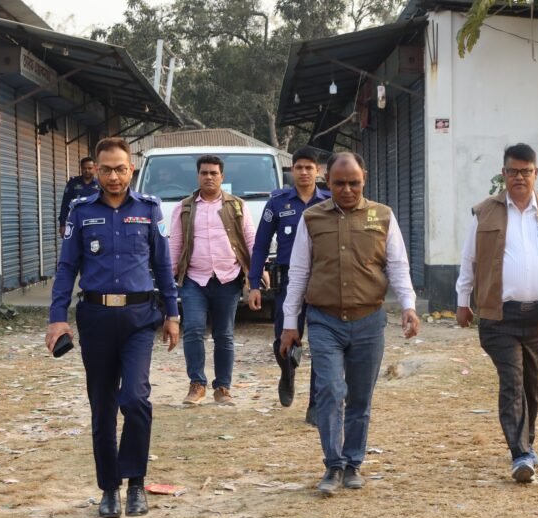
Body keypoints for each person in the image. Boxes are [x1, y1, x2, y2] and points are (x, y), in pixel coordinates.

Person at [45, 137, 180, 518]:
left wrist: (172, 314)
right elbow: (67, 267)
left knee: (135, 399)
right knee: (102, 406)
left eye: (120, 168)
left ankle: (136, 481)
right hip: (96, 318)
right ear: (96, 171)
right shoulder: (81, 211)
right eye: (106, 169)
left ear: (131, 169)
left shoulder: (150, 210)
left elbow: (163, 266)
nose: (114, 176)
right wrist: (57, 318)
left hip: (139, 319)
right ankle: (109, 489)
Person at [280, 152, 420, 496]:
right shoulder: (312, 219)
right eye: (339, 183)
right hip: (324, 320)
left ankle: (353, 462)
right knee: (330, 390)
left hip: (369, 321)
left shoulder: (382, 216)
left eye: (353, 183)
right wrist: (289, 322)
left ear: (364, 179)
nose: (346, 189)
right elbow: (298, 272)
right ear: (327, 181)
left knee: (360, 397)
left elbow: (397, 266)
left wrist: (409, 306)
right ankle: (333, 465)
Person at [455, 143, 538, 483]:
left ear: (535, 174)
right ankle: (519, 453)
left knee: (532, 383)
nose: (519, 177)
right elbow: (469, 260)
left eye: (526, 172)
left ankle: (527, 446)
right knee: (513, 380)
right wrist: (462, 300)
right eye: (513, 171)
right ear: (503, 174)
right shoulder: (485, 211)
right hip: (498, 316)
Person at [248, 147, 330, 424]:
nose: (304, 172)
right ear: (291, 171)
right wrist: (254, 283)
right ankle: (288, 372)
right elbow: (260, 244)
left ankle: (316, 405)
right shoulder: (278, 202)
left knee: (322, 344)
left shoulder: (329, 202)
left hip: (322, 280)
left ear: (318, 171)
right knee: (284, 339)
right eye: (299, 167)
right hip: (287, 279)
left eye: (310, 167)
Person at [169, 155, 256, 406]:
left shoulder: (237, 206)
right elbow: (175, 243)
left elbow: (250, 239)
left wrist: (255, 271)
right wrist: (170, 276)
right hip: (194, 279)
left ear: (222, 177)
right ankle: (197, 384)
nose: (209, 177)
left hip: (228, 278)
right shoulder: (184, 208)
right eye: (204, 173)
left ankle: (223, 388)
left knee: (224, 335)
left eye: (214, 173)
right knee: (194, 329)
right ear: (198, 176)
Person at [58, 157, 101, 237]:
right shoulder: (73, 183)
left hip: (95, 223)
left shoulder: (100, 185)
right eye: (84, 168)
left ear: (95, 168)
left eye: (90, 168)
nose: (87, 170)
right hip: (76, 222)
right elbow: (65, 204)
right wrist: (62, 224)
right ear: (81, 168)